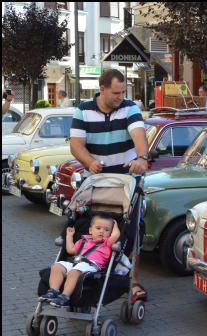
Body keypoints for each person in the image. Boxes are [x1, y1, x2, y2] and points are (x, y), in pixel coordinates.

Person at [70, 68, 148, 300]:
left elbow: (139, 135)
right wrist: (89, 162)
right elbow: (76, 145)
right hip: (96, 182)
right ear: (101, 89)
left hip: (126, 183)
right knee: (88, 227)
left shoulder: (129, 108)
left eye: (123, 92)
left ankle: (132, 281)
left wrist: (141, 158)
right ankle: (84, 270)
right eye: (116, 93)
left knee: (133, 231)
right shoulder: (83, 110)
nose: (120, 97)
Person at [38, 215, 120, 307]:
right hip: (75, 262)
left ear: (110, 233)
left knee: (74, 271)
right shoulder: (82, 241)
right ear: (90, 230)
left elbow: (116, 235)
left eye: (106, 230)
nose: (102, 231)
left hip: (91, 266)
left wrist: (115, 224)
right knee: (56, 266)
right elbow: (70, 250)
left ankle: (65, 296)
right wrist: (69, 236)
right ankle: (53, 291)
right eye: (98, 228)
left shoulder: (106, 243)